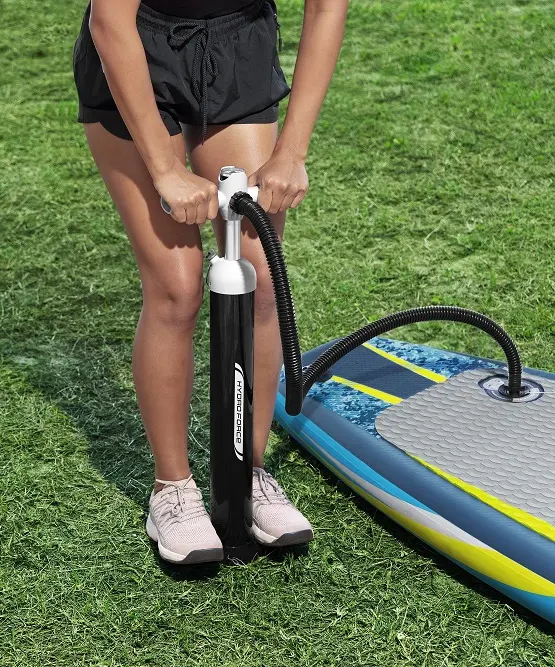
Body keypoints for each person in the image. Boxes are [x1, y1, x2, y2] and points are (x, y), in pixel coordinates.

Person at [74, 0, 349, 564]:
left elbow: (327, 7)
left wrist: (291, 153)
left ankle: (251, 473)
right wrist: (165, 169)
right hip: (138, 45)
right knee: (177, 286)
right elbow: (110, 21)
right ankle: (172, 490)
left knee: (260, 277)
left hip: (237, 38)